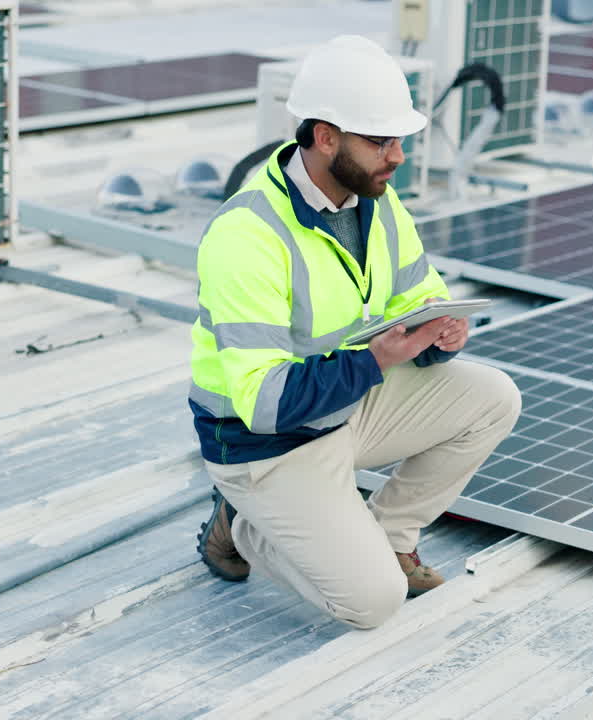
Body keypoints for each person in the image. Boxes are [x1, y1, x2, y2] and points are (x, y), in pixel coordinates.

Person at [189, 35, 522, 630]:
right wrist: (373, 362)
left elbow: (418, 292)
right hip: (265, 445)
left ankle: (390, 537)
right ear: (325, 136)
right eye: (379, 141)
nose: (396, 156)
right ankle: (241, 524)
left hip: (347, 408)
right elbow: (265, 404)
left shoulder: (376, 200)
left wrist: (438, 333)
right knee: (372, 603)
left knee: (494, 396)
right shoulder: (247, 233)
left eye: (400, 140)